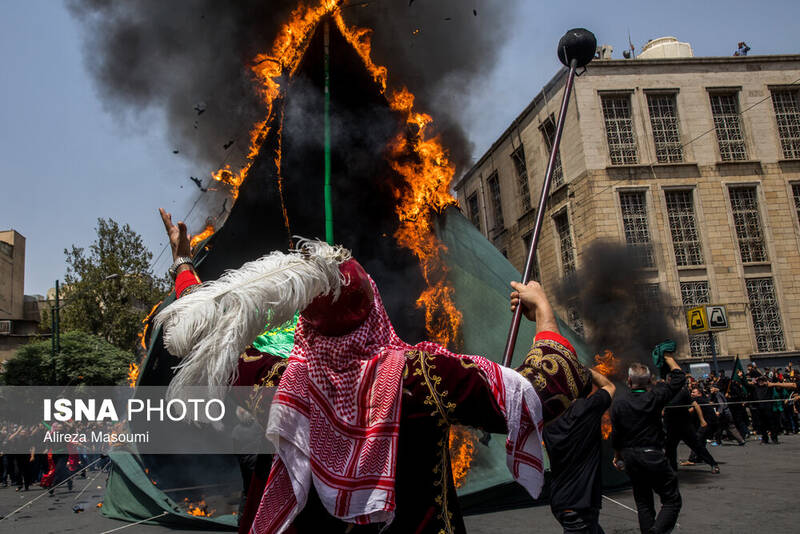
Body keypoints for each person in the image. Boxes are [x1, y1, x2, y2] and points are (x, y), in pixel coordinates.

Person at [156, 209, 593, 534]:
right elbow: (542, 391)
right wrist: (546, 317)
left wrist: (183, 266)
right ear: (375, 311)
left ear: (306, 327)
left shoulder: (276, 383)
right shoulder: (420, 378)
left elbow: (210, 335)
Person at [611, 356, 685, 534]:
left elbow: (616, 434)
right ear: (650, 381)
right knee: (671, 500)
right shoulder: (656, 396)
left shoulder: (619, 403)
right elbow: (679, 377)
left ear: (629, 381)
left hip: (631, 458)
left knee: (643, 501)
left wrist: (617, 455)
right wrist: (668, 358)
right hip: (652, 455)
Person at [543, 368, 615, 534]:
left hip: (562, 501)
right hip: (578, 506)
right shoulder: (586, 410)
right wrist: (582, 368)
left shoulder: (547, 416)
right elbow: (609, 387)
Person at [663, 383, 719, 473]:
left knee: (697, 446)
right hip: (672, 426)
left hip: (685, 426)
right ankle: (672, 470)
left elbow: (696, 406)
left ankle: (713, 464)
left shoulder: (683, 393)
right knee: (670, 449)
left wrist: (702, 420)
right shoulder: (665, 394)